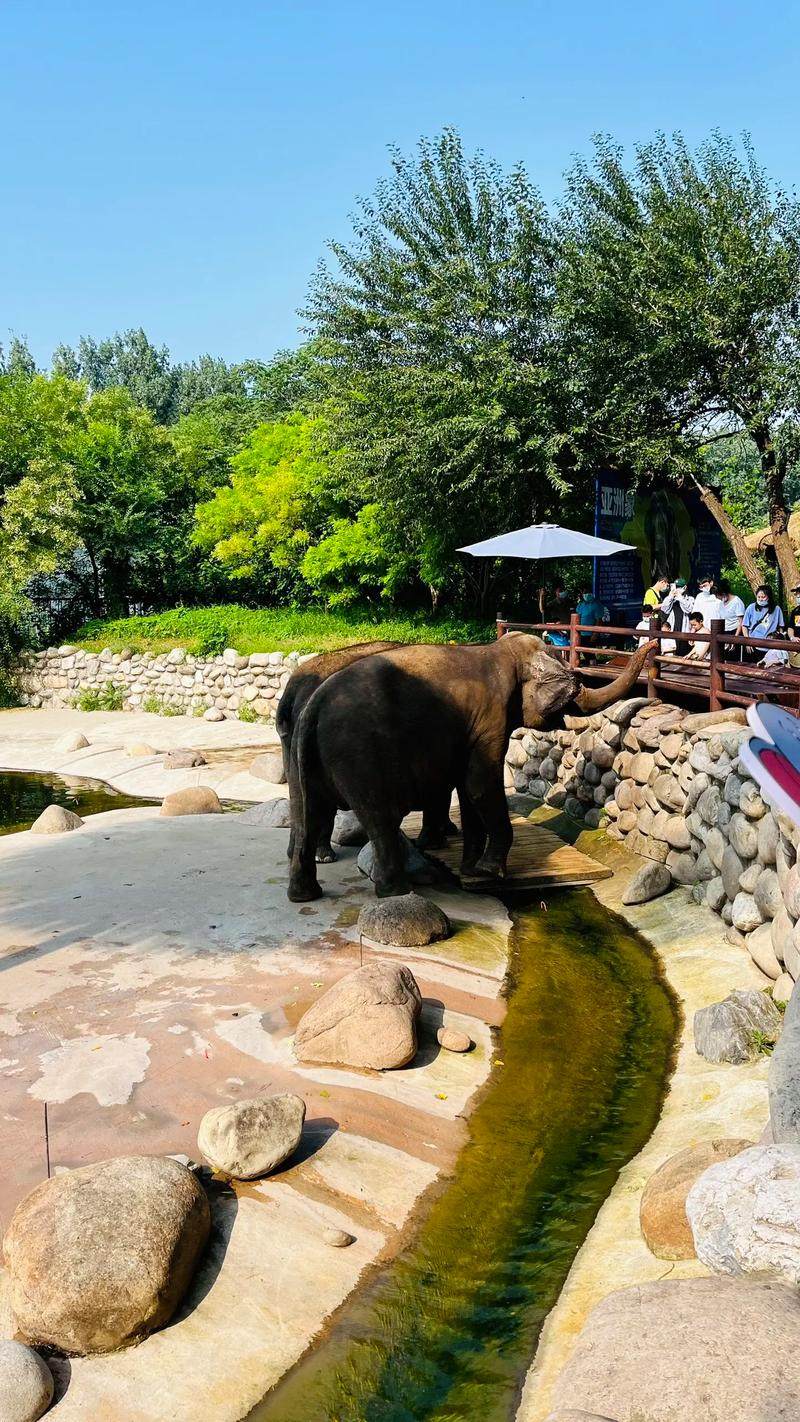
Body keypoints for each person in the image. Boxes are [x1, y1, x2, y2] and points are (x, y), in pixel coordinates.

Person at [742, 585, 785, 660]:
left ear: (769, 597)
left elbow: (781, 627)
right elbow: (744, 626)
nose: (760, 599)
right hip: (753, 645)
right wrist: (747, 642)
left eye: (763, 597)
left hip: (770, 647)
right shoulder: (751, 607)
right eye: (758, 597)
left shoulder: (777, 609)